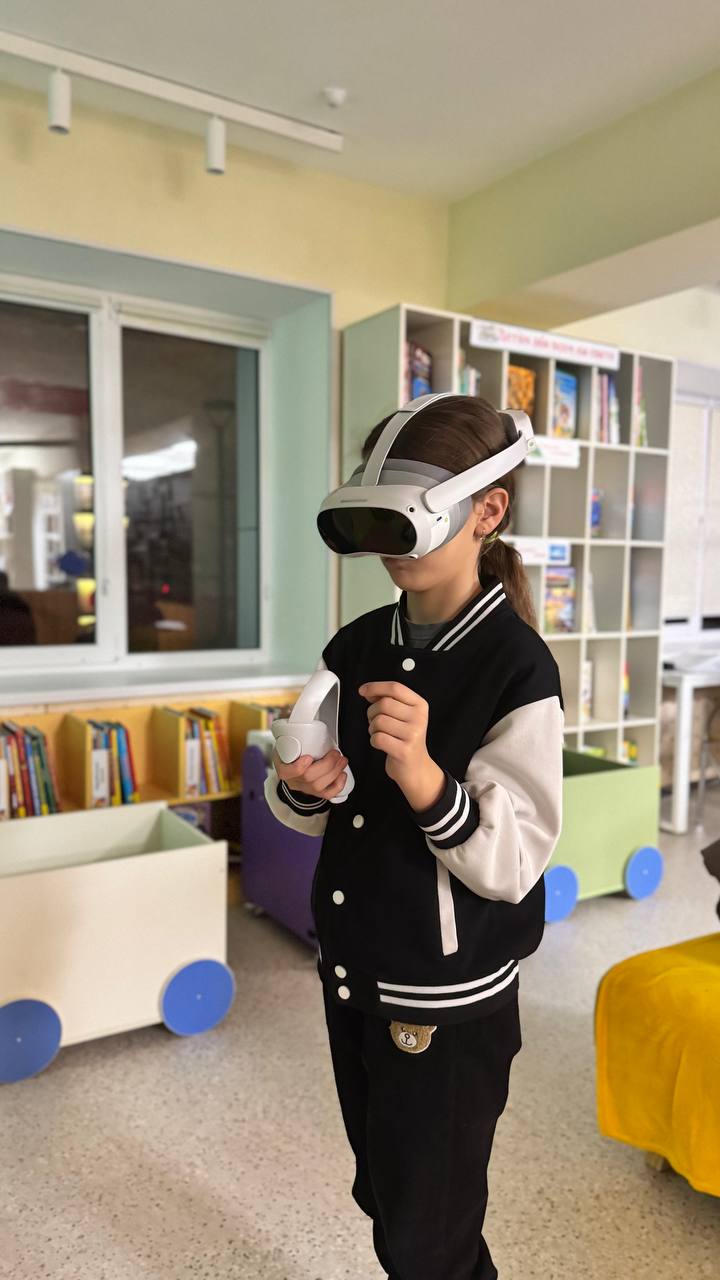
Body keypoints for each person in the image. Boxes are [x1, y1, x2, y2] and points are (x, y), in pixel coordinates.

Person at [265, 395, 564, 1280]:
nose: (391, 540)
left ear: (487, 509)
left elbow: (515, 862)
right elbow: (326, 802)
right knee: (387, 1194)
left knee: (429, 1227)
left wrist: (429, 780)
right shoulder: (357, 644)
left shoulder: (516, 665)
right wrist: (305, 786)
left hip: (443, 999)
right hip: (354, 970)